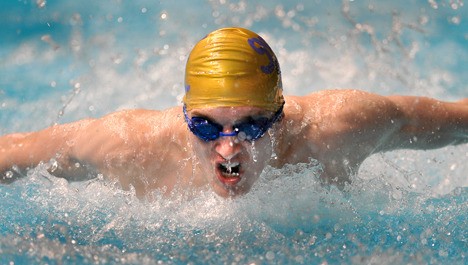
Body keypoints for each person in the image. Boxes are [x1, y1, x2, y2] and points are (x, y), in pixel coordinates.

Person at [1, 27, 467, 198]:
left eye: (250, 124)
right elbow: (17, 151)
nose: (228, 145)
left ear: (280, 116)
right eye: (205, 124)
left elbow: (456, 119)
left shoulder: (341, 127)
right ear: (184, 115)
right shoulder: (128, 144)